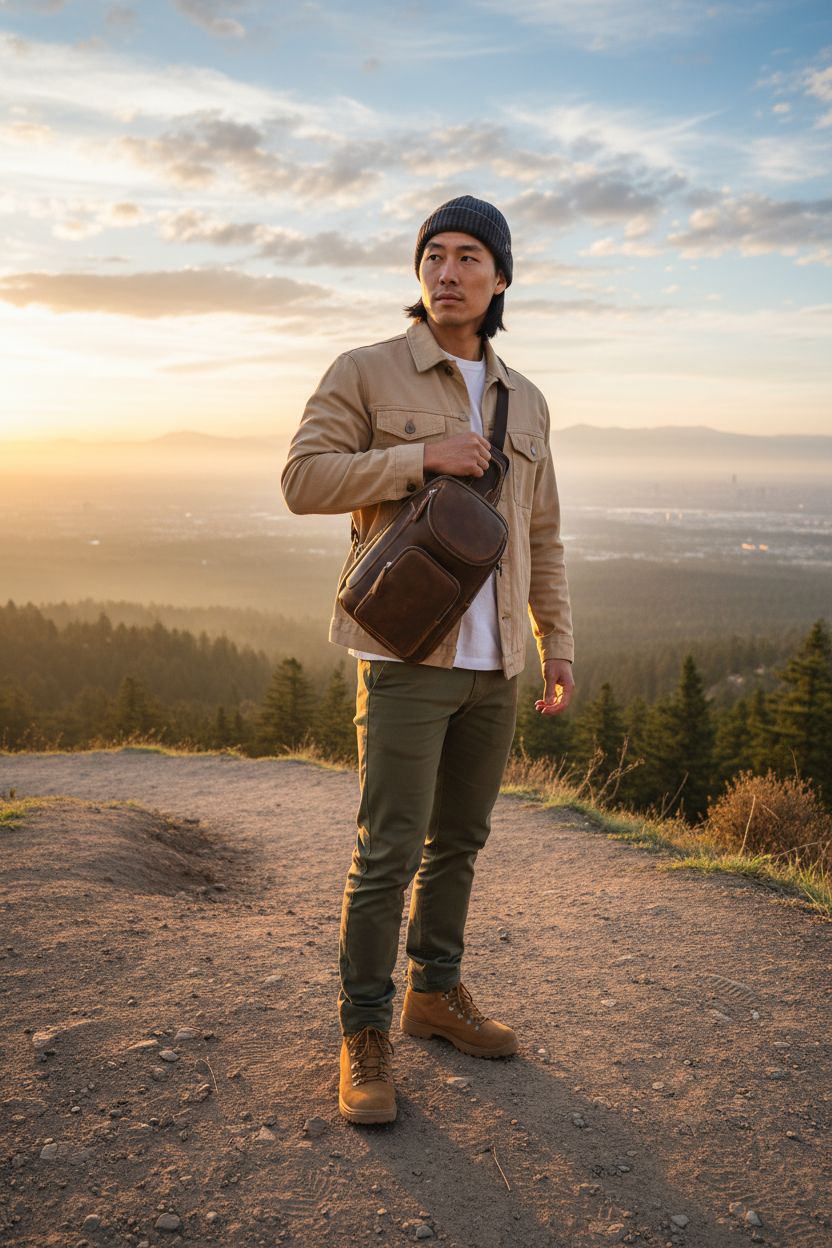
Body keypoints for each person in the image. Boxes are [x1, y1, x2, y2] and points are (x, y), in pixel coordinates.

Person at [281, 195, 575, 1125]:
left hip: (495, 672)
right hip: (406, 655)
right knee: (388, 849)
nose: (448, 272)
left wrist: (554, 640)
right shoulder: (366, 370)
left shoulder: (525, 399)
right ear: (419, 275)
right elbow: (302, 480)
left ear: (499, 279)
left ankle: (434, 996)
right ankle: (362, 1031)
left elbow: (543, 533)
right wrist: (420, 457)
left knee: (462, 843)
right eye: (434, 256)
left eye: (469, 258)